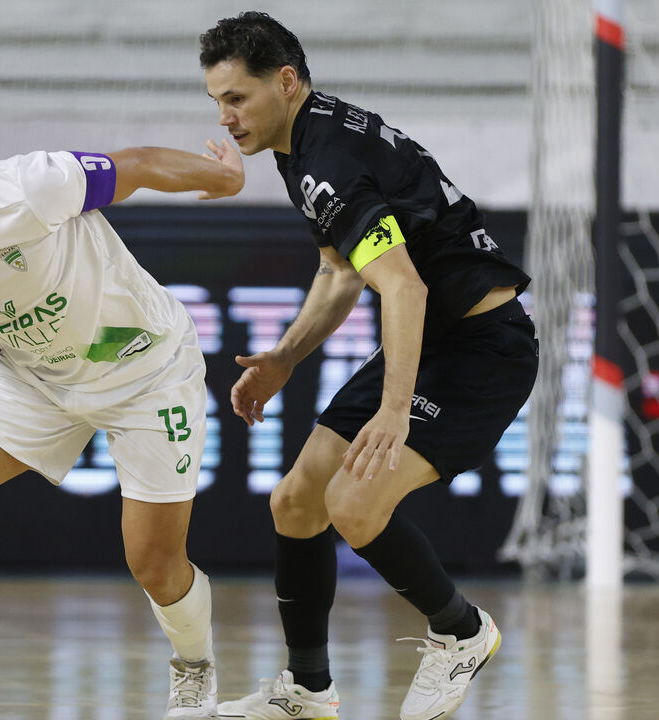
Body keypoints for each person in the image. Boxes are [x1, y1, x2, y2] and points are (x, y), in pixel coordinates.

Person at [199, 12, 538, 720]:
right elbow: (341, 270)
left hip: (481, 352)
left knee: (353, 504)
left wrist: (393, 407)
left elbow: (404, 287)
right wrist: (285, 357)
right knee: (296, 502)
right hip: (434, 339)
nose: (225, 117)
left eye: (236, 98)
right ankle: (308, 690)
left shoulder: (327, 156)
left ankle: (462, 633)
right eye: (217, 101)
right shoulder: (304, 139)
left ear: (285, 81)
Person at [0, 134, 244, 719]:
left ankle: (195, 665)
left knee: (154, 563)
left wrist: (224, 178)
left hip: (146, 371)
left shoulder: (27, 187)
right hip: (35, 377)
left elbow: (137, 164)